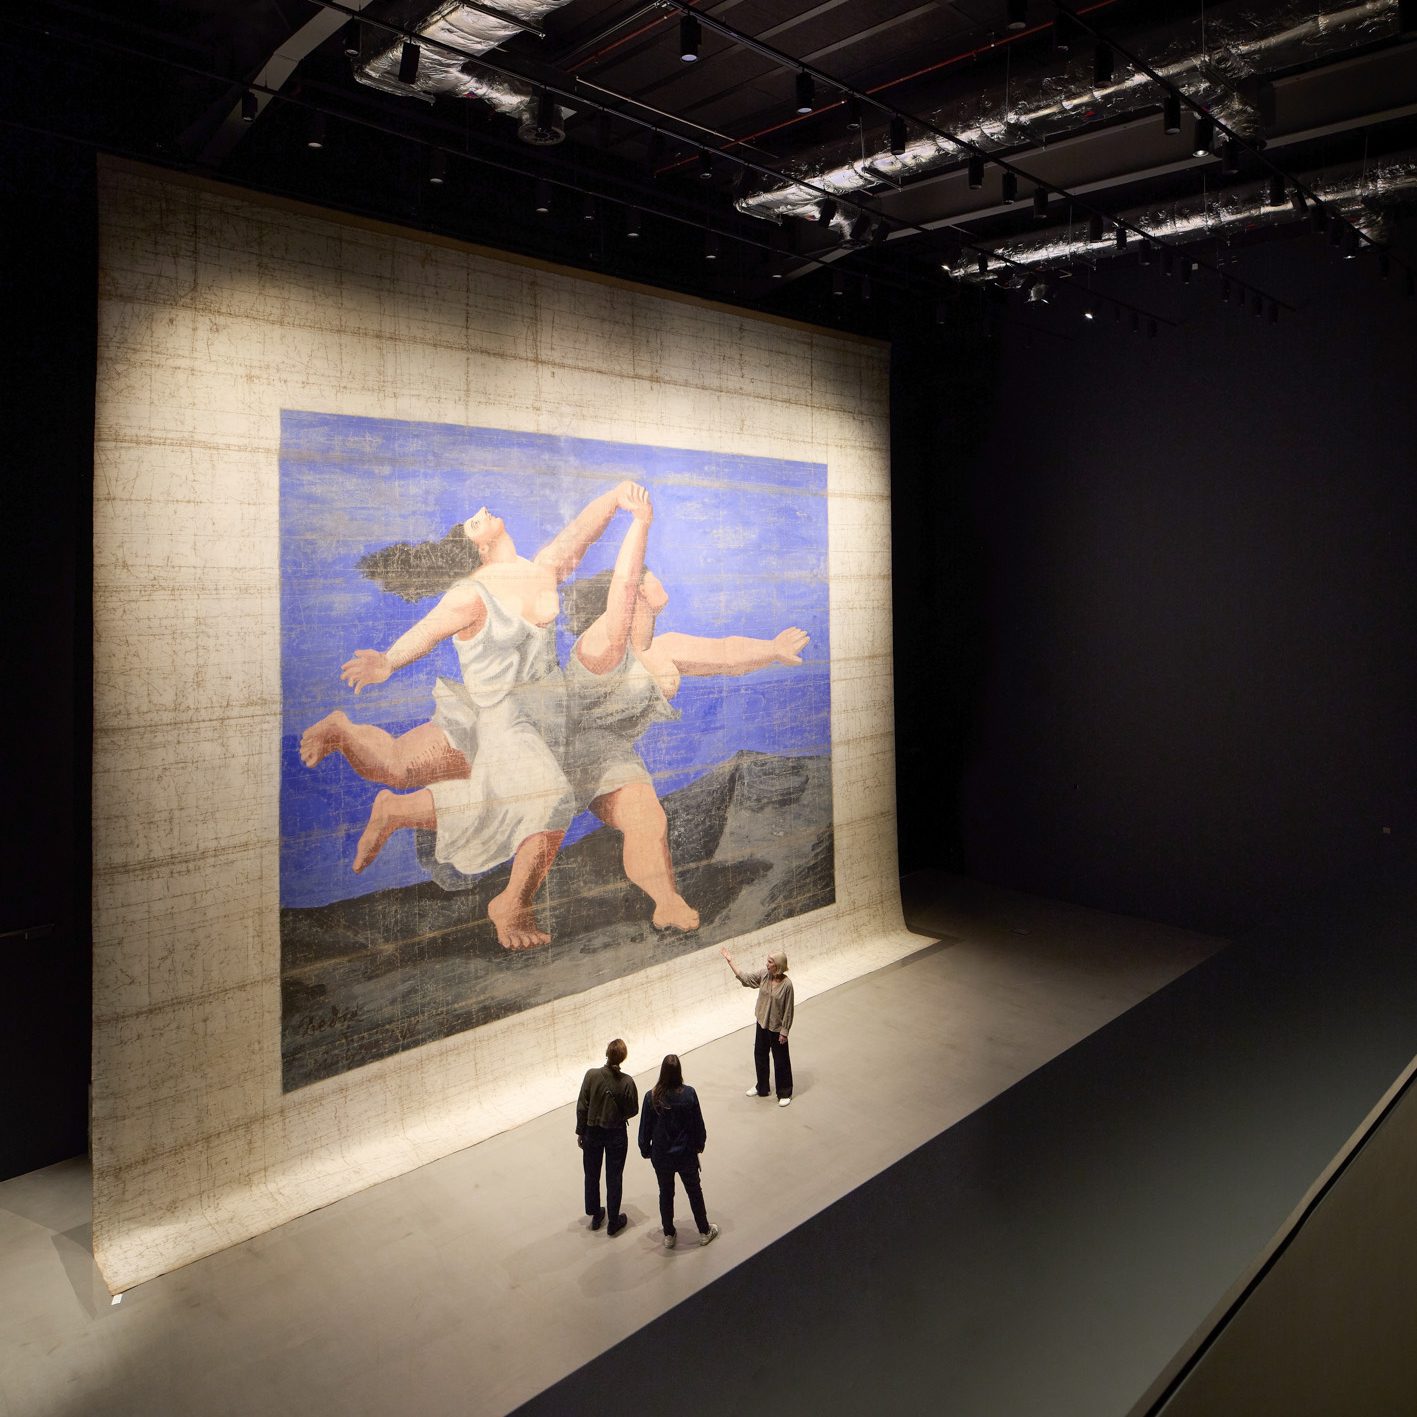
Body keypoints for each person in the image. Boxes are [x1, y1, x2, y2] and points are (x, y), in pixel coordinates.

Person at [299, 481, 648, 949]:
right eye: (472, 521)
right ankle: (512, 904)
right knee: (546, 798)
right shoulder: (471, 595)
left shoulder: (541, 567)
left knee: (464, 791)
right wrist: (386, 662)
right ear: (477, 546)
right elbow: (427, 632)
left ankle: (393, 809)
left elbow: (581, 532)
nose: (481, 510)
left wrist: (615, 498)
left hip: (546, 717)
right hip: (502, 717)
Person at [561, 511, 809, 933]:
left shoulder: (664, 648)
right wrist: (641, 522)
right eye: (646, 575)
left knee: (647, 819)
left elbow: (725, 654)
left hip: (612, 753)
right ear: (636, 591)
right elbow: (623, 583)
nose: (654, 578)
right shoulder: (602, 645)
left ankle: (667, 904)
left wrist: (772, 648)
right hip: (571, 748)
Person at [637, 1054, 718, 1249]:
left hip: (662, 1156)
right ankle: (704, 1231)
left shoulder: (651, 1097)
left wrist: (646, 1150)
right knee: (694, 1191)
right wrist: (700, 1144)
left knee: (665, 1193)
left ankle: (669, 1234)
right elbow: (698, 1124)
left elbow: (644, 1129)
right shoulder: (689, 1094)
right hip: (686, 1154)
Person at [576, 1037, 639, 1236]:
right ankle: (613, 1221)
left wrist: (581, 1131)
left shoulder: (591, 1075)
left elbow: (582, 1106)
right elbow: (633, 1109)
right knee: (614, 1177)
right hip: (616, 1135)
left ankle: (596, 1215)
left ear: (606, 1053)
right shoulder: (627, 1082)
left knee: (591, 1174)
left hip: (592, 1133)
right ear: (623, 1057)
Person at [720, 947, 794, 1105]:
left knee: (781, 1060)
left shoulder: (787, 985)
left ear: (778, 965)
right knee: (760, 1055)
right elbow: (746, 979)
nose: (767, 964)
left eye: (770, 962)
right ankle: (762, 1087)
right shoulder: (764, 975)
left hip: (777, 1028)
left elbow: (789, 1010)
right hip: (762, 1023)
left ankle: (784, 1092)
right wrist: (730, 961)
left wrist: (785, 1031)